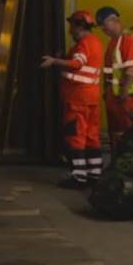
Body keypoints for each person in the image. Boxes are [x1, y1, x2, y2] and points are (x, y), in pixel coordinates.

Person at [41, 10, 104, 188]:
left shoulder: (83, 44)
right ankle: (94, 174)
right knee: (92, 137)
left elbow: (77, 64)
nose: (70, 31)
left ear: (79, 26)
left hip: (77, 100)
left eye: (72, 26)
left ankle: (79, 177)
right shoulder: (96, 43)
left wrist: (54, 61)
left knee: (75, 138)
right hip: (91, 99)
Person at [96, 6, 133, 153]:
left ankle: (130, 163)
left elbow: (132, 70)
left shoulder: (127, 39)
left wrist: (124, 92)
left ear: (114, 20)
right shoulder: (114, 41)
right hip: (115, 96)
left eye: (104, 24)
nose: (103, 29)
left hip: (126, 97)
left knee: (128, 131)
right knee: (117, 132)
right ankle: (119, 162)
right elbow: (110, 70)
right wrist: (107, 90)